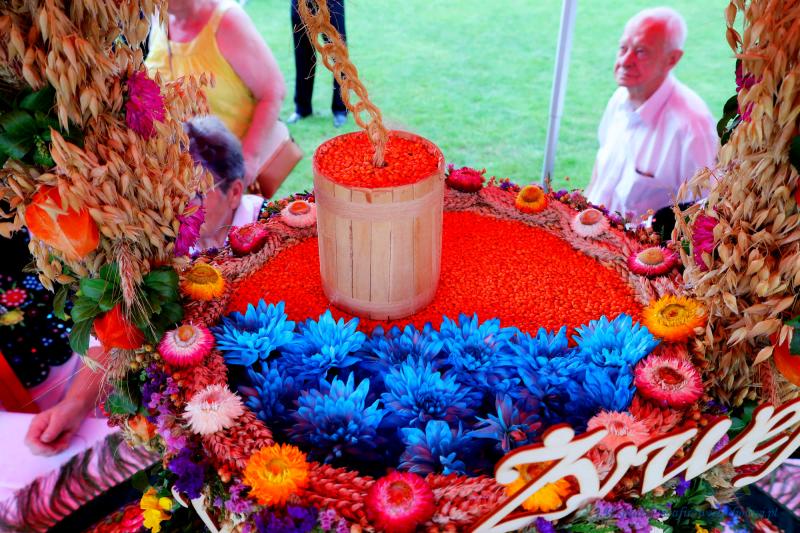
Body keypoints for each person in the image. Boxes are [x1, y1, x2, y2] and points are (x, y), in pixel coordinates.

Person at [584, 7, 718, 226]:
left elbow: (705, 212)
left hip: (634, 246)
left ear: (672, 59)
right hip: (588, 231)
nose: (625, 61)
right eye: (623, 48)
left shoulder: (692, 128)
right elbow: (600, 169)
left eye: (641, 52)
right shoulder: (620, 97)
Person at [145, 0, 289, 195]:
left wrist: (249, 159)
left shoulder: (227, 22)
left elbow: (273, 91)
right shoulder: (158, 18)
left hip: (228, 180)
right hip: (178, 181)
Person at [185, 116, 266, 250]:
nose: (180, 208)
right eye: (173, 194)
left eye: (195, 195)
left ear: (234, 193)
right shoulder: (170, 250)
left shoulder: (273, 231)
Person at [288, 0, 348, 128]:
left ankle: (341, 109)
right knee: (303, 55)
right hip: (300, 3)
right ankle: (302, 108)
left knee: (339, 56)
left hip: (331, 3)